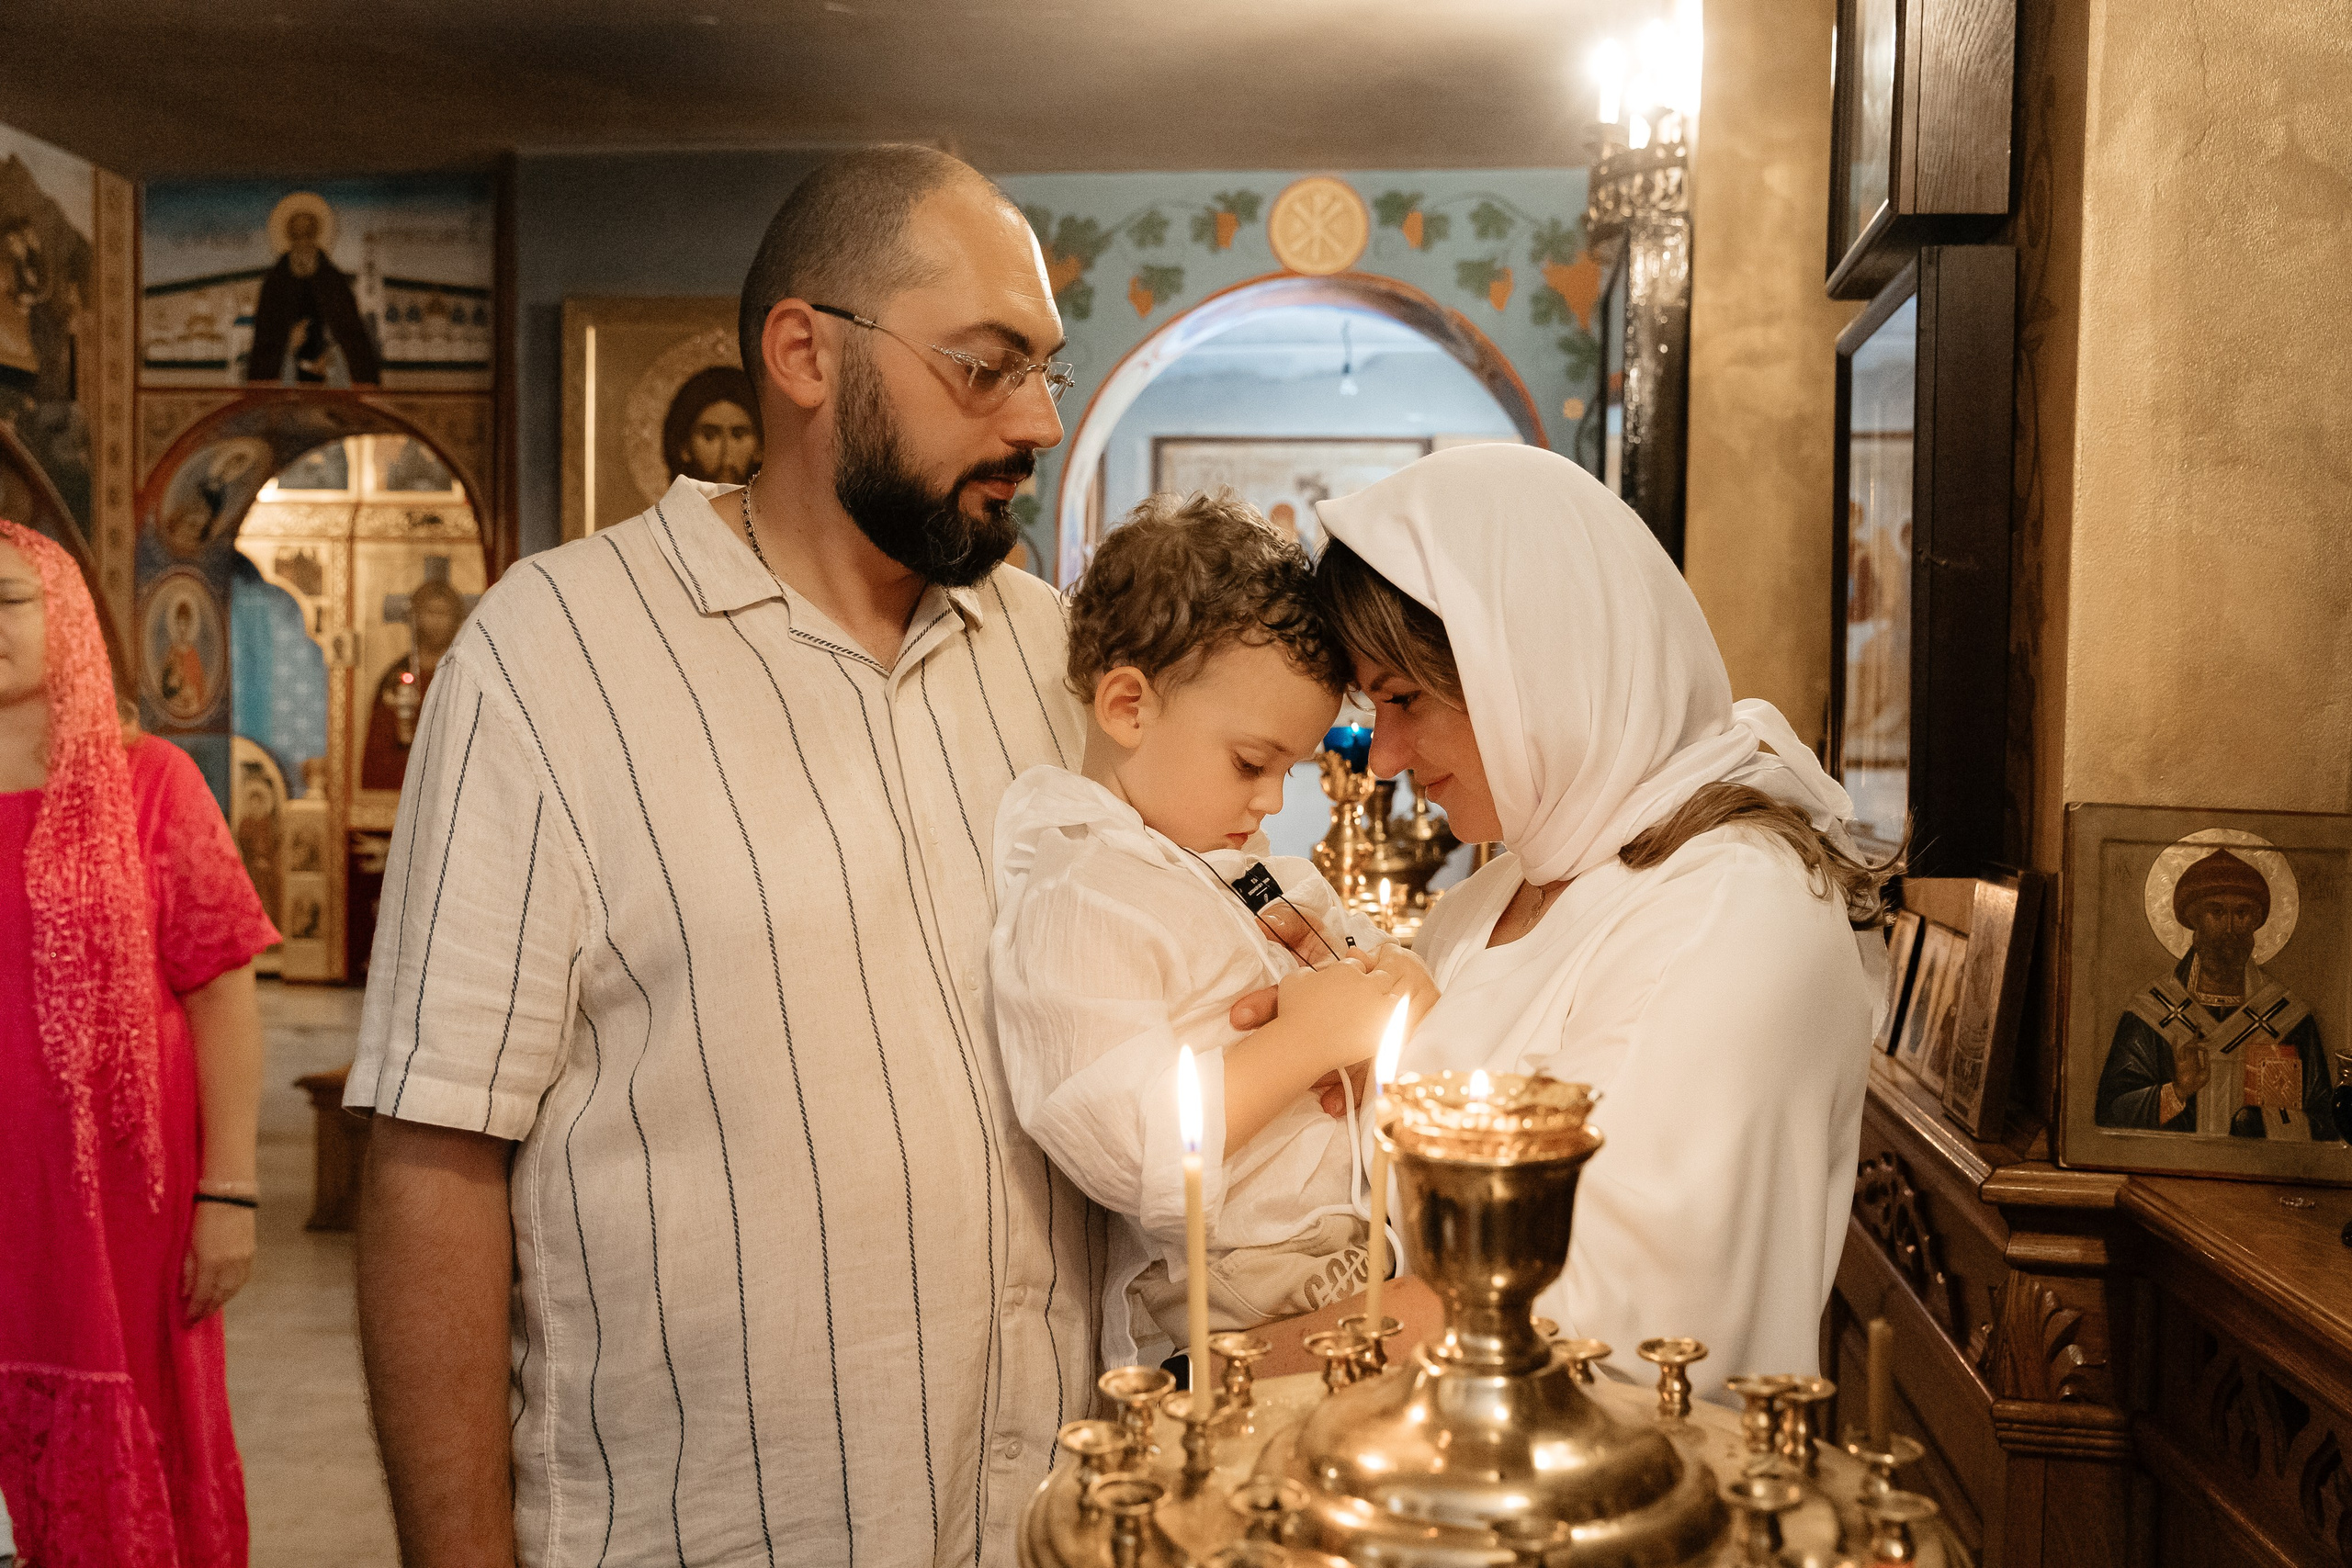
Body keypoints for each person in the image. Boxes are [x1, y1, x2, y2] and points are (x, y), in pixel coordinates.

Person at [349, 145, 1091, 1568]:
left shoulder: (1061, 665)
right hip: (707, 1529)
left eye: (1049, 367)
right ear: (805, 353)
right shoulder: (554, 655)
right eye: (988, 368)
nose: (1041, 419)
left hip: (1035, 1524)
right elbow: (432, 1154)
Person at [1283, 445, 1887, 1400]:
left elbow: (1582, 1311)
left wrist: (1208, 1374)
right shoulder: (1500, 892)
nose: (1385, 758)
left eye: (1403, 699)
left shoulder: (1730, 908)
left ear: (1530, 659)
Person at [990, 492, 1426, 1377]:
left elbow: (1361, 970)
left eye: (1288, 771)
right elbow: (1121, 1137)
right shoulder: (1086, 894)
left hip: (1364, 1250)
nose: (1271, 802)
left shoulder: (1246, 865)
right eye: (1250, 763)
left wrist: (1397, 988)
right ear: (1127, 707)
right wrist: (1305, 1041)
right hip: (1234, 1305)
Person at [0, 519, 276, 1567]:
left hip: (120, 1204)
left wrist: (230, 1194)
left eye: (6, 598)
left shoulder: (150, 779)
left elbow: (221, 987)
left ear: (66, 617)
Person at [2094, 847, 2337, 1141]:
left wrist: (2263, 1124)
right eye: (2217, 912)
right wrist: (2177, 1091)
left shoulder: (2288, 1019)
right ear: (2193, 920)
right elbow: (2111, 1112)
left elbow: (2326, 1123)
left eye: (2242, 913)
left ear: (2257, 922)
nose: (2231, 927)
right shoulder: (2152, 1011)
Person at [245, 203, 381, 385]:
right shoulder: (276, 282)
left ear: (316, 236)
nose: (303, 243)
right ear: (289, 237)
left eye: (308, 235)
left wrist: (333, 356)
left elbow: (352, 336)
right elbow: (265, 340)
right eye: (297, 235)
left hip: (329, 378)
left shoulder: (332, 280)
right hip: (285, 380)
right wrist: (287, 344)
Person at [359, 571, 468, 789]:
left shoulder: (465, 674)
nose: (437, 620)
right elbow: (379, 753)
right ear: (415, 617)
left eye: (444, 612)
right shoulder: (396, 676)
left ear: (457, 619)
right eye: (430, 611)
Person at [663, 364, 763, 485]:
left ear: (760, 448)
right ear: (684, 447)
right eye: (709, 436)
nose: (726, 459)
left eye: (738, 436)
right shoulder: (667, 505)